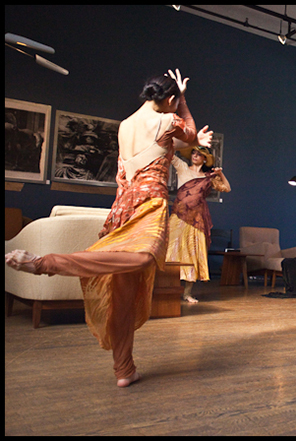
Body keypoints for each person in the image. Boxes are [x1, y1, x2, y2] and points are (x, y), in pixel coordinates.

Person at [5, 68, 198, 386]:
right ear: (170, 100)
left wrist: (187, 127)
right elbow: (188, 133)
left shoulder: (125, 125)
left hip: (123, 206)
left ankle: (124, 370)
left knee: (124, 294)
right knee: (144, 258)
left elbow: (154, 154)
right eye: (175, 101)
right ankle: (45, 263)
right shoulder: (167, 119)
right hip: (149, 205)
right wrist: (185, 101)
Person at [167, 131, 231, 303]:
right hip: (179, 216)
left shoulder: (207, 178)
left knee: (193, 253)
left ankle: (187, 293)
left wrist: (220, 174)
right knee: (171, 251)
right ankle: (168, 290)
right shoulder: (182, 167)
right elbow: (169, 151)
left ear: (204, 159)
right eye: (193, 153)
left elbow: (226, 188)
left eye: (199, 154)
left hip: (197, 219)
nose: (195, 156)